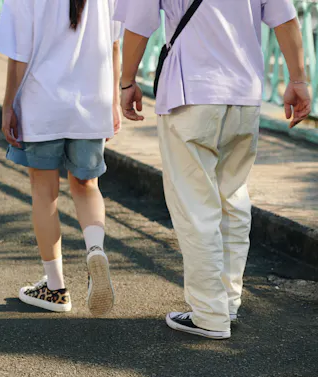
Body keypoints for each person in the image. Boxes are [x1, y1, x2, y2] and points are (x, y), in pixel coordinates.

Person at [116, 0, 311, 339]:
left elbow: (138, 23)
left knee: (196, 207)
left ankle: (209, 314)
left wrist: (126, 81)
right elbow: (286, 17)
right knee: (232, 201)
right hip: (244, 94)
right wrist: (298, 79)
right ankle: (227, 303)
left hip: (190, 92)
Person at [0, 0, 122, 315]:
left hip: (42, 102)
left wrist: (8, 104)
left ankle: (55, 288)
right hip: (93, 101)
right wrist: (114, 100)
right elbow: (115, 45)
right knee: (87, 185)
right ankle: (95, 251)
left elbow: (18, 56)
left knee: (44, 192)